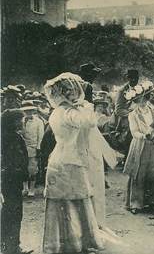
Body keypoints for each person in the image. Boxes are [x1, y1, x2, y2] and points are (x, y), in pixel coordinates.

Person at [42, 72, 103, 254]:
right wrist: (87, 106)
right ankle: (75, 245)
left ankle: (64, 245)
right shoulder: (70, 113)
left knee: (64, 203)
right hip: (70, 161)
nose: (74, 94)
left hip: (59, 159)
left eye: (74, 90)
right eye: (70, 91)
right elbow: (89, 122)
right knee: (74, 203)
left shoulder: (57, 112)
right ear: (64, 93)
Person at [123, 82, 154, 214]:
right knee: (140, 173)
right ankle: (136, 203)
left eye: (146, 98)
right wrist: (145, 136)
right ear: (136, 100)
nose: (143, 101)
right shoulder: (132, 114)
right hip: (140, 145)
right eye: (140, 99)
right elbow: (134, 132)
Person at [1, 109, 33, 254]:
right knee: (13, 213)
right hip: (11, 181)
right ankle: (12, 247)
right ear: (12, 122)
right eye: (19, 120)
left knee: (8, 212)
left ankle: (7, 245)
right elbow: (17, 161)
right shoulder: (11, 139)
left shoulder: (9, 137)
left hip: (10, 180)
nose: (22, 122)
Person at [20, 101, 44, 197]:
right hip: (22, 148)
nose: (28, 113)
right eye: (26, 111)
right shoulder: (21, 121)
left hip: (33, 148)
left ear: (33, 111)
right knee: (23, 168)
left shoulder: (38, 121)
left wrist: (38, 148)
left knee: (32, 169)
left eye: (30, 111)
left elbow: (40, 136)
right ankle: (25, 188)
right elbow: (20, 134)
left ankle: (32, 189)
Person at [113, 69, 139, 134]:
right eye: (131, 78)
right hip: (126, 117)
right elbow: (118, 110)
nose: (134, 80)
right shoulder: (122, 91)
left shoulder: (140, 89)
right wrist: (133, 115)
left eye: (136, 78)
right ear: (128, 78)